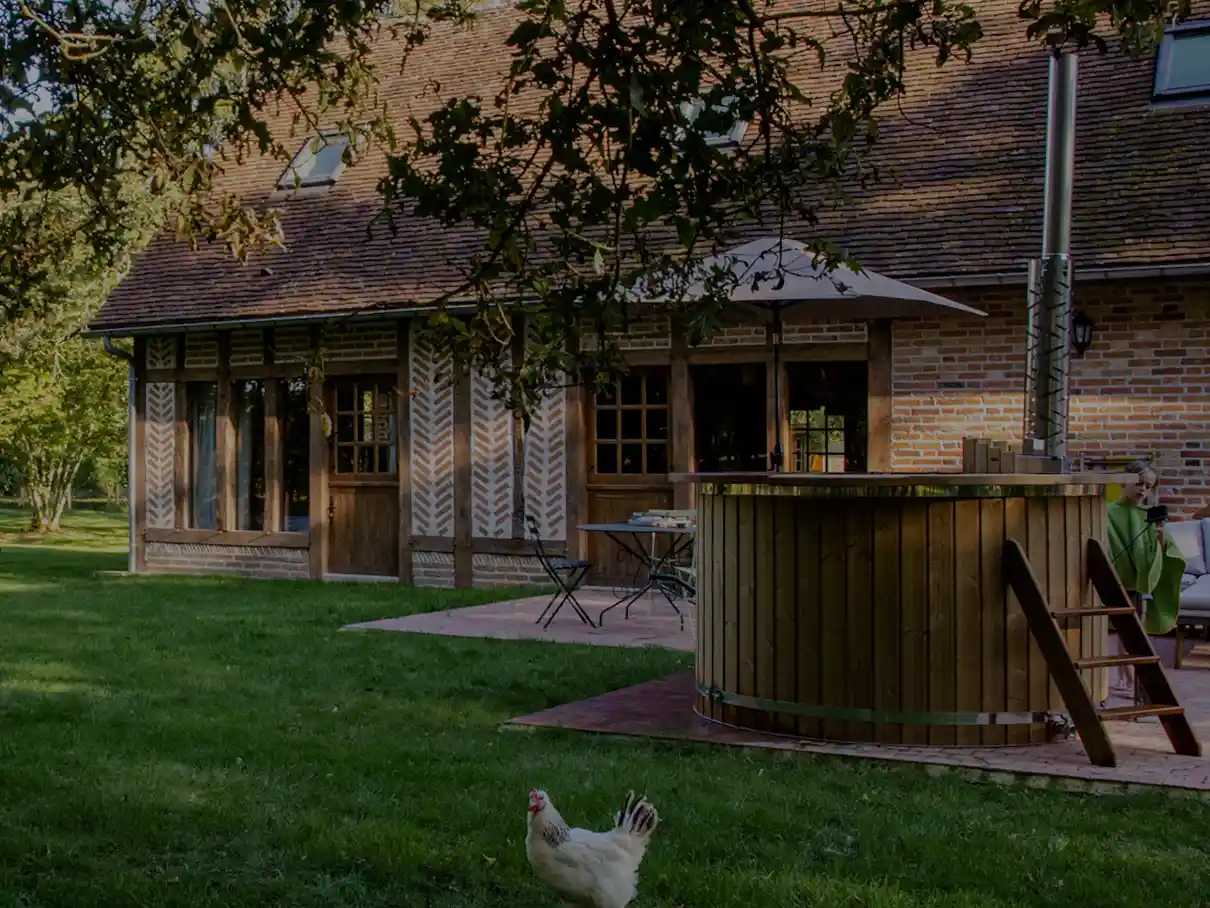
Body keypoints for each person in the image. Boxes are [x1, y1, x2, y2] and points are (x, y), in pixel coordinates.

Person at [1105, 460, 1186, 696]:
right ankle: (1128, 678)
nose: (1142, 489)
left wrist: (1161, 538)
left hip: (1144, 580)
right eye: (1138, 483)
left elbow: (1170, 550)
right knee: (1126, 627)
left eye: (1148, 486)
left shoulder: (1151, 514)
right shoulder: (1108, 511)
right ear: (1125, 482)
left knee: (1136, 627)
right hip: (1119, 577)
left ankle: (1130, 677)